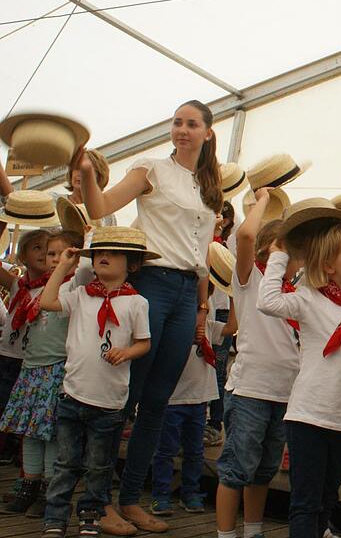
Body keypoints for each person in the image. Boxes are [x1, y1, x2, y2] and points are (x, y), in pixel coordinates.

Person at [79, 99, 223, 533]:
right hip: (152, 283)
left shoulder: (211, 186)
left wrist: (200, 309)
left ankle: (131, 500)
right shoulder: (152, 169)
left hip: (186, 291)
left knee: (158, 403)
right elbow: (102, 205)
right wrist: (87, 176)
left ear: (207, 133)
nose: (182, 129)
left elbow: (202, 257)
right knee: (127, 396)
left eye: (191, 123)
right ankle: (97, 503)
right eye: (177, 122)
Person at [257, 201, 341, 538]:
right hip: (309, 417)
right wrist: (280, 254)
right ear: (329, 266)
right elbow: (268, 301)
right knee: (306, 502)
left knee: (329, 499)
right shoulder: (310, 299)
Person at [38, 228, 153, 538]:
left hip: (109, 402)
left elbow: (144, 343)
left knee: (99, 466)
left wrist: (127, 352)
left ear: (132, 264)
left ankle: (92, 514)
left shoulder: (136, 303)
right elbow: (47, 302)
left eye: (114, 253)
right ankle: (55, 517)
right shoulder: (80, 295)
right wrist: (63, 265)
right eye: (100, 252)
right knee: (66, 464)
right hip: (72, 395)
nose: (104, 256)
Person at [215, 192, 301, 538]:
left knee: (264, 469)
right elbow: (246, 236)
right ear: (275, 250)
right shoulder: (251, 281)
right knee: (236, 467)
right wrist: (263, 200)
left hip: (283, 393)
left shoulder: (296, 293)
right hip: (250, 389)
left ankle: (253, 530)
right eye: (293, 251)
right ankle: (225, 534)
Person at [0, 230, 87, 517]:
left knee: (49, 434)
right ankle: (29, 486)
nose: (53, 260)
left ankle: (50, 491)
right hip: (30, 369)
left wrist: (82, 243)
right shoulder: (32, 287)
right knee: (30, 433)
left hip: (55, 370)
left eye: (60, 255)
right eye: (51, 254)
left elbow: (85, 268)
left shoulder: (74, 287)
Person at [150, 296, 231, 516]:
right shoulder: (172, 326)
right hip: (173, 399)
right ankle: (160, 495)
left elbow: (233, 326)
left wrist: (233, 293)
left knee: (195, 451)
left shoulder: (209, 327)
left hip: (198, 399)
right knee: (165, 451)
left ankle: (191, 493)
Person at [0, 229, 50, 465]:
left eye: (49, 249)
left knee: (27, 412)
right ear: (23, 256)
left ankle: (22, 458)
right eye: (37, 247)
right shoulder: (17, 285)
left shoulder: (55, 287)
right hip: (8, 356)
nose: (44, 253)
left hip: (33, 361)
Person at [205, 201, 236, 447]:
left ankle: (215, 424)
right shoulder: (200, 242)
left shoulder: (226, 247)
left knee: (217, 368)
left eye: (218, 215)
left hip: (222, 309)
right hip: (203, 307)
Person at [60, 149, 116, 226]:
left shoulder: (107, 213)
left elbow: (113, 237)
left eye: (86, 171)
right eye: (76, 168)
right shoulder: (55, 201)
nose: (80, 174)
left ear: (99, 177)